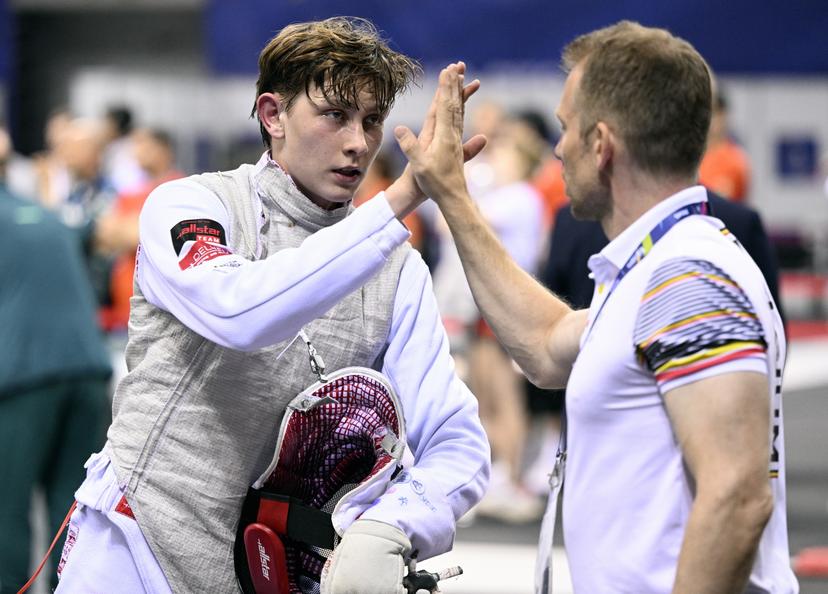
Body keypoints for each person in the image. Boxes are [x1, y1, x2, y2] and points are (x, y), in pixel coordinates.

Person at [54, 17, 490, 594]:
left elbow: (457, 440)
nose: (358, 143)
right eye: (335, 115)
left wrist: (393, 524)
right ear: (273, 115)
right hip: (134, 545)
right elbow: (241, 313)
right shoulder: (193, 205)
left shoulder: (397, 270)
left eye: (371, 121)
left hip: (269, 572)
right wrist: (405, 195)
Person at [395, 20, 798, 593]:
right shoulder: (661, 267)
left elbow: (738, 497)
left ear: (602, 145)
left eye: (566, 128)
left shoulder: (687, 276)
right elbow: (545, 344)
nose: (557, 148)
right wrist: (452, 194)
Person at [0, 182, 111, 593]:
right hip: (88, 368)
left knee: (6, 506)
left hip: (23, 375)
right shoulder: (46, 213)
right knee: (72, 505)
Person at [698, 86, 751, 202]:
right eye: (708, 112)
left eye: (715, 113)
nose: (711, 119)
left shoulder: (735, 160)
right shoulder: (690, 154)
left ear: (724, 116)